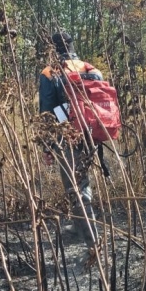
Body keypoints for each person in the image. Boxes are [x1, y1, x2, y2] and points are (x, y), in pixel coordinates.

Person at [39, 31, 102, 259]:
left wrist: (47, 146)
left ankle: (94, 243)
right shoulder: (89, 68)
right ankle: (78, 227)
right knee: (82, 180)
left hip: (68, 137)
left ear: (53, 49)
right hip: (92, 136)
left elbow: (46, 113)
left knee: (76, 188)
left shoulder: (49, 73)